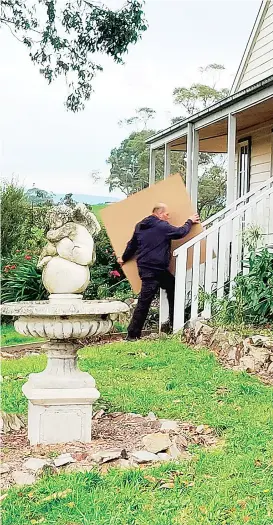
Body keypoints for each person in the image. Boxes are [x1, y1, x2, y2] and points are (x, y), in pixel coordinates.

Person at [117, 203, 200, 340]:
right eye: (167, 214)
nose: (168, 217)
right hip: (154, 270)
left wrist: (123, 258)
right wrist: (190, 220)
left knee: (172, 286)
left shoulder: (140, 226)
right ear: (160, 213)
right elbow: (180, 232)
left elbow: (132, 245)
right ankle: (132, 335)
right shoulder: (162, 226)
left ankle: (174, 322)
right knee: (144, 302)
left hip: (151, 269)